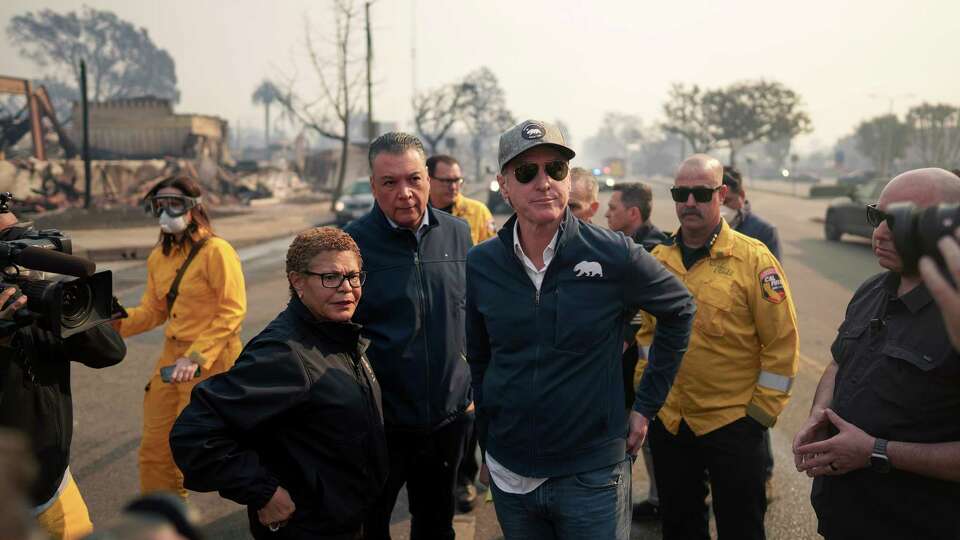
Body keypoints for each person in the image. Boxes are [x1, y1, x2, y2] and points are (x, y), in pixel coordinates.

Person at [466, 119, 696, 540]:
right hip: (511, 475)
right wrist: (487, 444)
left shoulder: (614, 254)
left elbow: (680, 309)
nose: (544, 183)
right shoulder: (482, 263)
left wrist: (645, 406)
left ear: (568, 179)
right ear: (504, 185)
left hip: (592, 476)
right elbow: (481, 361)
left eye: (555, 169)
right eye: (526, 172)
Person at [172, 227, 387, 539]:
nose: (347, 288)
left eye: (354, 276)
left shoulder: (338, 334)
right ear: (297, 281)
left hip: (350, 518)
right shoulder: (283, 353)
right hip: (309, 528)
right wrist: (262, 491)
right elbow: (194, 434)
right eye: (331, 277)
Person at [636, 154, 799, 540]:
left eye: (701, 193)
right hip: (672, 422)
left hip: (733, 424)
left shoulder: (754, 260)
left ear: (722, 194)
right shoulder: (658, 260)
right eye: (681, 193)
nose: (689, 202)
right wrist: (648, 399)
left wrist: (758, 417)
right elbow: (646, 336)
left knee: (741, 527)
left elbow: (782, 344)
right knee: (679, 524)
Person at [793, 168, 960, 540]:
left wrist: (875, 451)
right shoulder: (873, 289)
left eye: (898, 221)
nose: (880, 233)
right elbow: (839, 360)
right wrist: (822, 412)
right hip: (843, 516)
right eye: (877, 216)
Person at [345, 132, 473, 540]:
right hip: (382, 425)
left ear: (428, 181)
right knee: (370, 525)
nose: (405, 193)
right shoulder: (352, 245)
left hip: (447, 421)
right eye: (389, 182)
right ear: (373, 186)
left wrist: (469, 389)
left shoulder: (458, 233)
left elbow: (471, 315)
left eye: (414, 179)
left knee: (436, 524)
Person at [0, 207, 126, 539]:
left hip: (55, 493)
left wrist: (63, 305)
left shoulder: (32, 295)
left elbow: (111, 352)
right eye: (6, 242)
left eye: (18, 236)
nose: (20, 248)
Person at [117, 176, 246, 500]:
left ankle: (273, 505)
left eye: (174, 203)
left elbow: (232, 311)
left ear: (194, 208)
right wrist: (110, 322)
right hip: (172, 361)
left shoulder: (217, 251)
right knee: (155, 451)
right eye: (160, 204)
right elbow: (152, 311)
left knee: (219, 453)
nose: (166, 211)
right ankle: (161, 523)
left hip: (211, 362)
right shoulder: (159, 257)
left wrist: (196, 356)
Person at [604, 181, 669, 521]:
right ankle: (658, 497)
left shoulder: (655, 250)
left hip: (647, 365)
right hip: (631, 364)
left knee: (650, 434)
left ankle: (663, 500)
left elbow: (647, 311)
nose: (605, 213)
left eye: (612, 208)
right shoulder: (621, 244)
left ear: (632, 213)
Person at [721, 166, 781, 498]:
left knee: (755, 411)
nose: (723, 205)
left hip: (752, 333)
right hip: (721, 331)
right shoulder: (710, 227)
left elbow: (774, 285)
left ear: (740, 197)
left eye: (728, 199)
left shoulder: (763, 231)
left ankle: (765, 472)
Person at [427, 154, 496, 245]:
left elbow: (493, 252)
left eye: (457, 180)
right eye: (447, 181)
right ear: (428, 179)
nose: (453, 187)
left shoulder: (478, 212)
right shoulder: (417, 212)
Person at [720, 166, 781, 259]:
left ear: (742, 195)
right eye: (718, 202)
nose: (721, 208)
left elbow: (773, 271)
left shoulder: (764, 231)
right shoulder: (704, 228)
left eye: (727, 201)